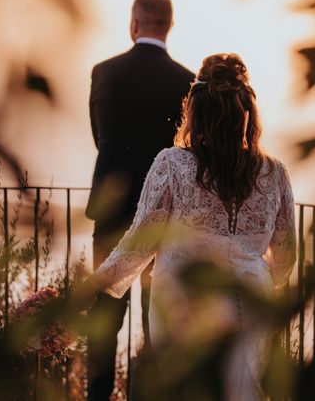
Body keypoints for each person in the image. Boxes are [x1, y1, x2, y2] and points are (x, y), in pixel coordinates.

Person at [81, 53, 297, 400]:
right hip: (251, 305)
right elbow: (285, 259)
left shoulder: (172, 165)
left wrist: (86, 290)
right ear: (248, 114)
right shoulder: (274, 174)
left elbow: (137, 247)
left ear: (195, 110)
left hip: (182, 304)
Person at [85, 0, 195, 401]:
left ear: (134, 24)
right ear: (169, 26)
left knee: (104, 313)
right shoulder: (187, 81)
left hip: (113, 210)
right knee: (157, 316)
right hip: (165, 218)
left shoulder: (104, 73)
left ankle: (98, 395)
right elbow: (187, 151)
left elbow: (101, 138)